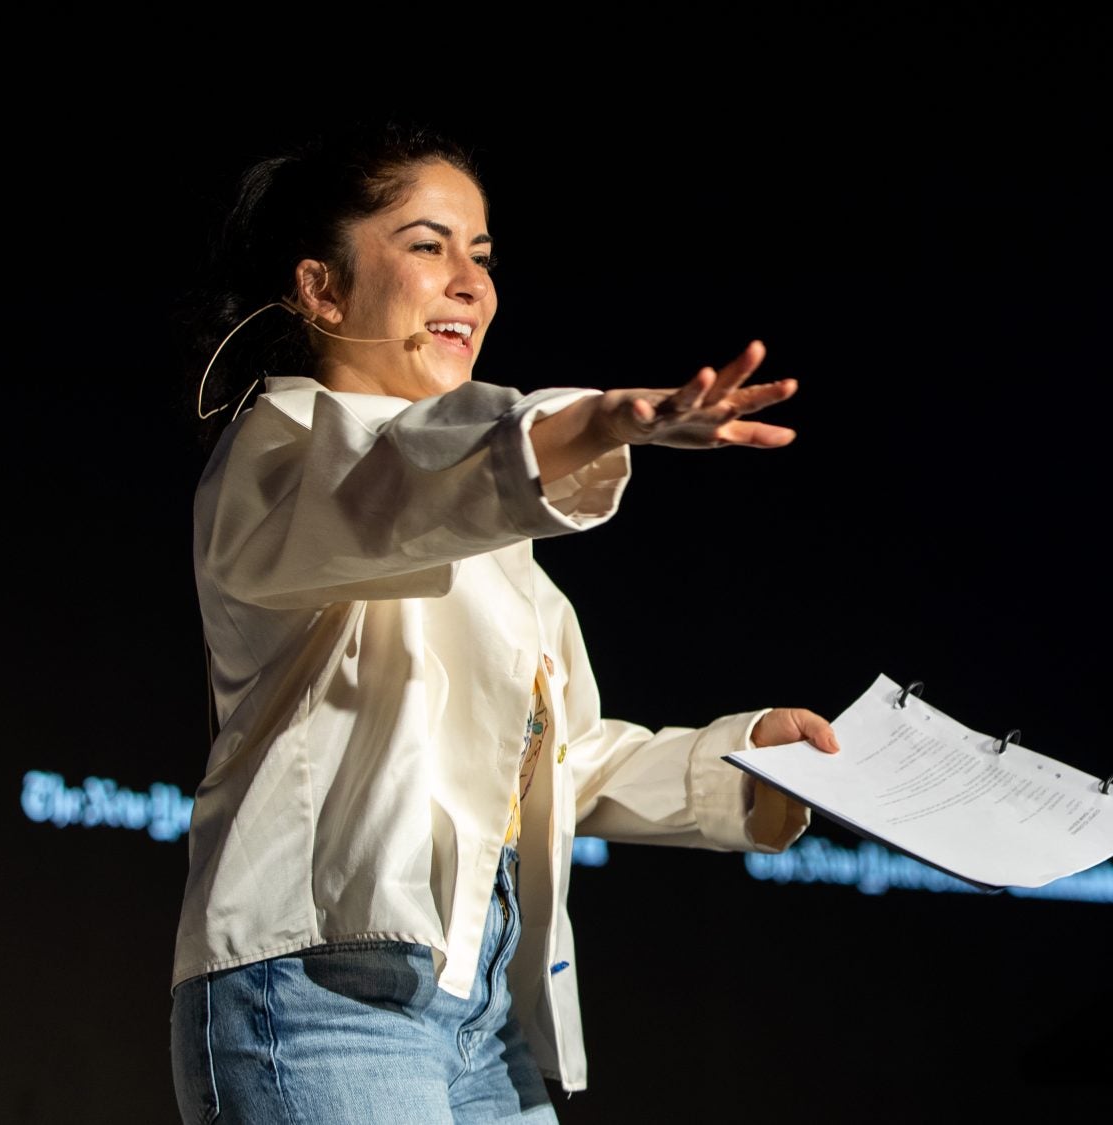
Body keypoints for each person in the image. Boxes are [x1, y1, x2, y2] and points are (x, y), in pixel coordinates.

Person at [168, 122, 838, 1124]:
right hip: (321, 992)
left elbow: (558, 764)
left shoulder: (486, 534)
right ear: (322, 288)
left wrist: (748, 757)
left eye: (481, 256)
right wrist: (602, 421)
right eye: (429, 245)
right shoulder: (280, 456)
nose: (473, 285)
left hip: (476, 1016)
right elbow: (397, 477)